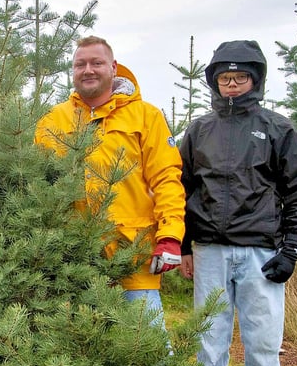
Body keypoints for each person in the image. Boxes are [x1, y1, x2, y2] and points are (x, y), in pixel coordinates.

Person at [178, 39, 297, 366]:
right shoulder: (199, 130)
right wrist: (185, 245)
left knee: (262, 339)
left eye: (240, 77)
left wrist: (291, 249)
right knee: (210, 337)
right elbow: (181, 187)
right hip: (209, 251)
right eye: (225, 77)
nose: (232, 85)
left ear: (254, 80)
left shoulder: (278, 128)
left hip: (261, 251)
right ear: (214, 82)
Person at [35, 35, 185, 323]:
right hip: (73, 256)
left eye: (96, 63)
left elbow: (166, 179)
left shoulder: (145, 116)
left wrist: (170, 236)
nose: (88, 70)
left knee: (146, 344)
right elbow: (37, 182)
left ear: (113, 67)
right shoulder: (53, 120)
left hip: (132, 253)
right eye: (80, 64)